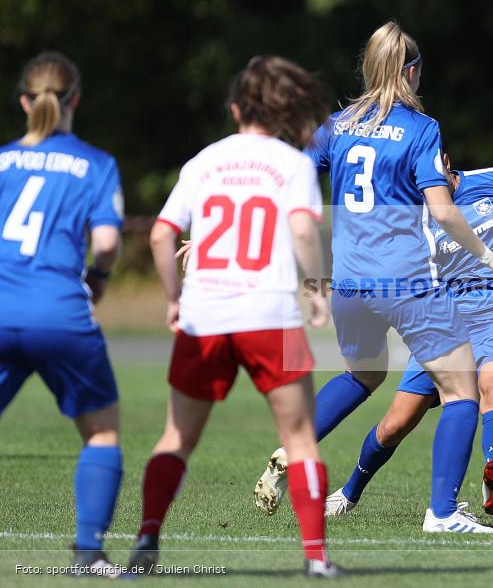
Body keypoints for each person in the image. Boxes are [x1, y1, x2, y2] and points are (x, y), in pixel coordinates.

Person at [255, 21, 493, 534]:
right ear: (412, 72)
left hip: (349, 284)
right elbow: (441, 212)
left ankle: (291, 448)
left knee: (362, 375)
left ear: (368, 68)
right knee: (461, 389)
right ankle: (442, 513)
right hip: (405, 282)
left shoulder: (335, 125)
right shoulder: (422, 129)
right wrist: (489, 254)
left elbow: (289, 188)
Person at [254, 154, 493, 520]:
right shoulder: (411, 215)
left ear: (447, 164)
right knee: (395, 423)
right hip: (444, 320)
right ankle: (349, 493)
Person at [129, 56, 339, 578]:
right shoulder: (292, 163)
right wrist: (317, 290)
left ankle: (146, 541)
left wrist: (175, 299)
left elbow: (160, 235)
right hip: (268, 312)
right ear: (281, 110)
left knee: (176, 439)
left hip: (206, 315)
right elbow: (304, 233)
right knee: (299, 440)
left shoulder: (202, 162)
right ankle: (315, 559)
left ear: (234, 108)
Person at [0, 52, 125, 576]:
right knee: (100, 433)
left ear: (25, 101)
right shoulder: (96, 164)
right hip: (60, 315)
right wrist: (98, 279)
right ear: (75, 99)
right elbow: (107, 241)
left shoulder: (2, 159)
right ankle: (88, 554)